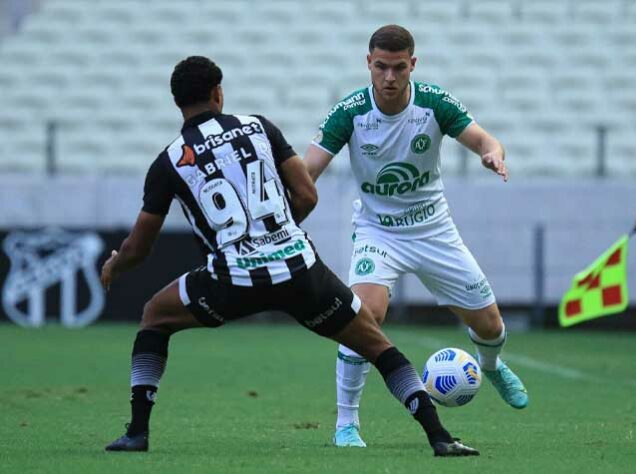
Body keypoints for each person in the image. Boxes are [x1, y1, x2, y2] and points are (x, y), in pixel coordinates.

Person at [101, 56, 479, 457]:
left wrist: (114, 266)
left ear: (177, 103)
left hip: (233, 280)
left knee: (154, 317)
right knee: (377, 345)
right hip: (300, 269)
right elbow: (307, 194)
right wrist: (277, 235)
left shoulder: (169, 161)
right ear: (218, 94)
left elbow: (138, 248)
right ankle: (440, 437)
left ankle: (138, 432)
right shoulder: (259, 127)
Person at [303, 25, 529, 448]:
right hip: (378, 232)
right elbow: (307, 171)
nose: (390, 77)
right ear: (368, 63)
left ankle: (493, 365)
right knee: (362, 317)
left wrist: (492, 152)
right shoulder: (349, 112)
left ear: (413, 65)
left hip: (433, 230)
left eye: (399, 68)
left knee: (490, 323)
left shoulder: (432, 102)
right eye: (381, 67)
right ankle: (346, 424)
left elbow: (483, 137)